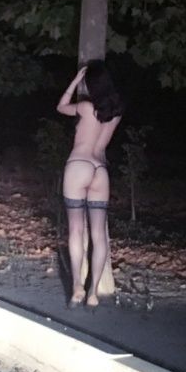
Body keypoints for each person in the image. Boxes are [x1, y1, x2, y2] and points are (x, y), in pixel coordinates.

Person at [56, 60, 124, 309]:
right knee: (98, 234)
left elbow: (61, 106)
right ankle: (93, 292)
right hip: (100, 171)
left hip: (79, 165)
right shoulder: (116, 112)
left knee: (76, 229)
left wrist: (75, 81)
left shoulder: (85, 107)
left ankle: (77, 285)